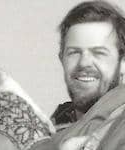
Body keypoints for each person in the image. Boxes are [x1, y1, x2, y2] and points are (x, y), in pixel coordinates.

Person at [30, 0, 125, 150]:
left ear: (123, 62)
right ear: (61, 59)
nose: (84, 63)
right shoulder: (48, 129)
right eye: (74, 52)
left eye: (99, 53)